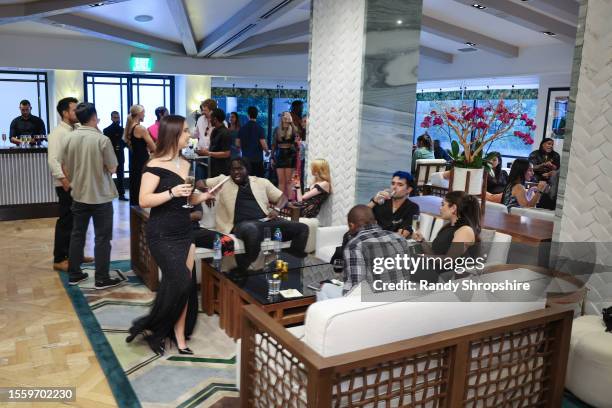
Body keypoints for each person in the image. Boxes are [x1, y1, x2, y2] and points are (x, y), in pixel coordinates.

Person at [126, 115, 216, 355]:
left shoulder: (186, 164)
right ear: (174, 134)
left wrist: (202, 197)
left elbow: (188, 198)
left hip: (184, 230)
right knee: (180, 281)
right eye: (186, 131)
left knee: (183, 286)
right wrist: (172, 191)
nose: (190, 135)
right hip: (162, 233)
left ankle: (178, 334)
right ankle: (155, 328)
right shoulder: (154, 164)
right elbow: (144, 200)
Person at [197, 157, 309, 268]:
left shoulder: (261, 182)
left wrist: (277, 209)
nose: (236, 172)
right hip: (242, 224)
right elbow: (199, 182)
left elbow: (283, 198)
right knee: (252, 230)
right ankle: (243, 266)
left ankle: (293, 258)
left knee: (302, 228)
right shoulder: (223, 180)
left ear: (247, 169)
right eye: (233, 169)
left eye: (240, 169)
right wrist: (207, 192)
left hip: (266, 221)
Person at [61, 102, 121, 289]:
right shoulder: (102, 140)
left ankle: (75, 274)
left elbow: (65, 166)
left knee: (77, 235)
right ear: (94, 117)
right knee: (102, 238)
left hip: (78, 193)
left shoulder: (69, 138)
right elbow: (113, 167)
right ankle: (102, 278)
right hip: (101, 196)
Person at [317, 205, 411, 301]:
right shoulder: (399, 238)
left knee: (324, 289)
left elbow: (354, 291)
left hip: (370, 305)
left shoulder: (355, 245)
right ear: (375, 222)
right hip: (401, 299)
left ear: (351, 225)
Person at [47, 97, 93, 272]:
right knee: (66, 222)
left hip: (79, 183)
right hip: (66, 185)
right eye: (74, 110)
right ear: (65, 113)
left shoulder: (78, 129)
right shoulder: (57, 134)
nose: (78, 112)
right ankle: (60, 258)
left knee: (79, 222)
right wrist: (65, 181)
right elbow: (53, 161)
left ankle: (76, 254)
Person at [367, 171, 420, 238]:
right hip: (372, 240)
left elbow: (403, 234)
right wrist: (373, 202)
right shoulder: (380, 201)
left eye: (400, 185)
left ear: (408, 190)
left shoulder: (412, 207)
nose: (394, 187)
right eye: (393, 183)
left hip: (393, 244)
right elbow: (360, 217)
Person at [124, 104, 156, 206]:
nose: (145, 115)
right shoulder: (140, 128)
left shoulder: (130, 127)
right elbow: (153, 148)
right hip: (142, 163)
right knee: (142, 190)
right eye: (144, 113)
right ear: (139, 113)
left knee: (135, 188)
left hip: (134, 162)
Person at [196, 108, 231, 178]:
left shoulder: (225, 133)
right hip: (212, 166)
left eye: (210, 118)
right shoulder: (214, 130)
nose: (209, 120)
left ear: (215, 119)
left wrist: (208, 153)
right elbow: (213, 148)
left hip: (222, 169)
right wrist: (203, 151)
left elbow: (227, 154)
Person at [236, 106, 269, 177]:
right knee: (258, 181)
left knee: (246, 179)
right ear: (257, 115)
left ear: (248, 115)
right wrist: (267, 152)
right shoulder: (260, 128)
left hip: (245, 159)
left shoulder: (242, 129)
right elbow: (263, 144)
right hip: (257, 159)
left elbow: (237, 144)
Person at [272, 111, 298, 198]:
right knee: (281, 181)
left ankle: (290, 200)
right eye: (283, 115)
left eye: (287, 115)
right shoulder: (277, 129)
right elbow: (274, 145)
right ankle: (280, 201)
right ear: (281, 118)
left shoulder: (293, 128)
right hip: (280, 155)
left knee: (289, 181)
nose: (285, 117)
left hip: (290, 155)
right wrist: (272, 157)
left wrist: (292, 122)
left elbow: (297, 137)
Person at [103, 111, 127, 201]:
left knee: (120, 175)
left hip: (120, 154)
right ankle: (108, 193)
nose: (117, 119)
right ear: (111, 118)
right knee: (108, 174)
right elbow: (105, 143)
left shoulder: (123, 130)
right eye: (115, 117)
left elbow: (125, 142)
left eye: (118, 117)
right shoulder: (106, 130)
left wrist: (120, 146)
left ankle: (121, 194)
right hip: (110, 155)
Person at [193, 99, 218, 180]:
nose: (203, 112)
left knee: (212, 180)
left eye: (205, 110)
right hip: (201, 155)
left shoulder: (220, 122)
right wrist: (184, 132)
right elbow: (195, 134)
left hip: (214, 157)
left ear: (212, 111)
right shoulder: (200, 119)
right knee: (199, 180)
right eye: (202, 110)